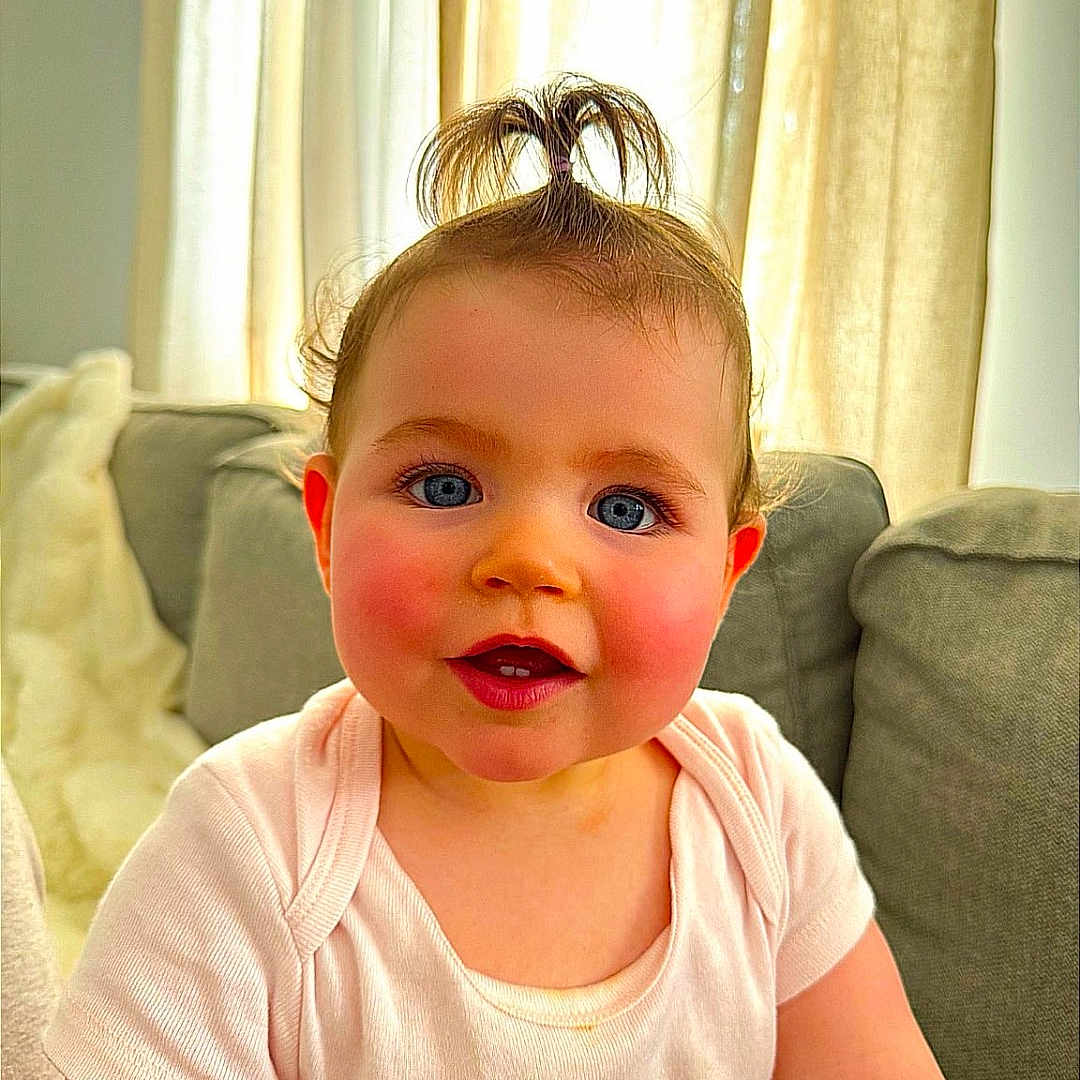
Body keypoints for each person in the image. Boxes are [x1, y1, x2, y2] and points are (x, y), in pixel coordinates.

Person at [43, 74, 944, 1078]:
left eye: (626, 508)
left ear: (727, 575)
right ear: (327, 526)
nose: (527, 559)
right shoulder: (249, 843)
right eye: (444, 485)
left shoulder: (756, 806)